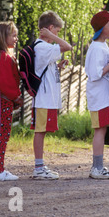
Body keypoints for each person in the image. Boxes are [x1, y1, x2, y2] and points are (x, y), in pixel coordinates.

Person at [31, 11, 71, 180]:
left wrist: (58, 66)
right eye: (57, 31)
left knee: (43, 131)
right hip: (43, 99)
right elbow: (68, 46)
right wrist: (50, 36)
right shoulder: (41, 46)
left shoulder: (45, 48)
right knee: (40, 131)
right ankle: (38, 167)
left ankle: (40, 165)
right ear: (50, 28)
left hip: (47, 98)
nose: (57, 35)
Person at [85, 10, 109, 179]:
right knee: (100, 131)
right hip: (99, 98)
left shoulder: (102, 46)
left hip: (104, 97)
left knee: (103, 129)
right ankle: (96, 168)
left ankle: (99, 166)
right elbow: (95, 73)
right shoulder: (97, 48)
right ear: (102, 27)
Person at [0, 21, 24, 181]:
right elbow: (5, 82)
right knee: (3, 134)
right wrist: (15, 96)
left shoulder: (6, 55)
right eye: (13, 35)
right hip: (5, 99)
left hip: (7, 100)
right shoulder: (4, 57)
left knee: (4, 133)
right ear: (4, 37)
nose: (16, 38)